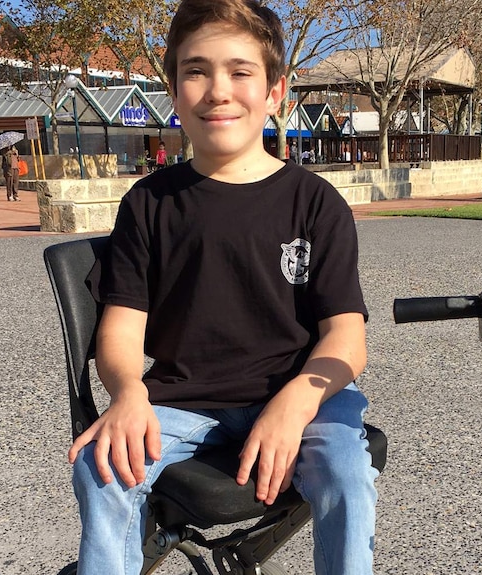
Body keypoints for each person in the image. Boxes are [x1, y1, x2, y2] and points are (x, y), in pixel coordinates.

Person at [69, 2, 378, 574]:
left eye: (240, 72)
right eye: (196, 70)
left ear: (275, 91)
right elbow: (120, 330)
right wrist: (128, 394)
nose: (218, 90)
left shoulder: (315, 205)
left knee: (345, 474)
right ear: (173, 89)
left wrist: (295, 403)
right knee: (100, 465)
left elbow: (346, 339)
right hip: (182, 402)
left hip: (299, 396)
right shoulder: (149, 203)